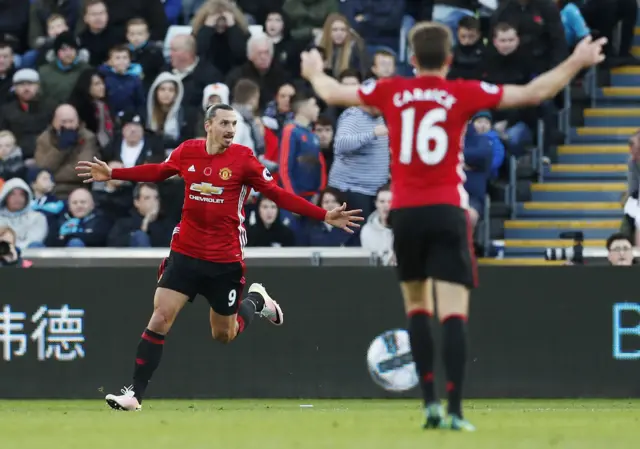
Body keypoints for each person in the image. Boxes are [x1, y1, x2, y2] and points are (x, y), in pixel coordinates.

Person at [300, 21, 606, 431]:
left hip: (405, 213)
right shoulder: (460, 91)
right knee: (454, 315)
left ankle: (428, 404)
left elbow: (332, 93)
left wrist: (313, 70)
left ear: (411, 60)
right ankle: (457, 410)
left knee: (418, 309)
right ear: (448, 59)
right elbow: (534, 92)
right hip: (446, 210)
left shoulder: (391, 90)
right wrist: (577, 60)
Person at [75, 103, 363, 411]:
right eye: (224, 123)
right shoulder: (188, 151)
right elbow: (159, 171)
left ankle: (257, 301)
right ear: (209, 125)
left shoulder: (243, 160)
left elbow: (277, 194)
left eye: (233, 124)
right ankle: (135, 395)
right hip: (185, 252)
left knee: (223, 334)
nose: (230, 129)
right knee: (160, 317)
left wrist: (322, 214)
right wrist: (114, 173)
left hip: (224, 260)